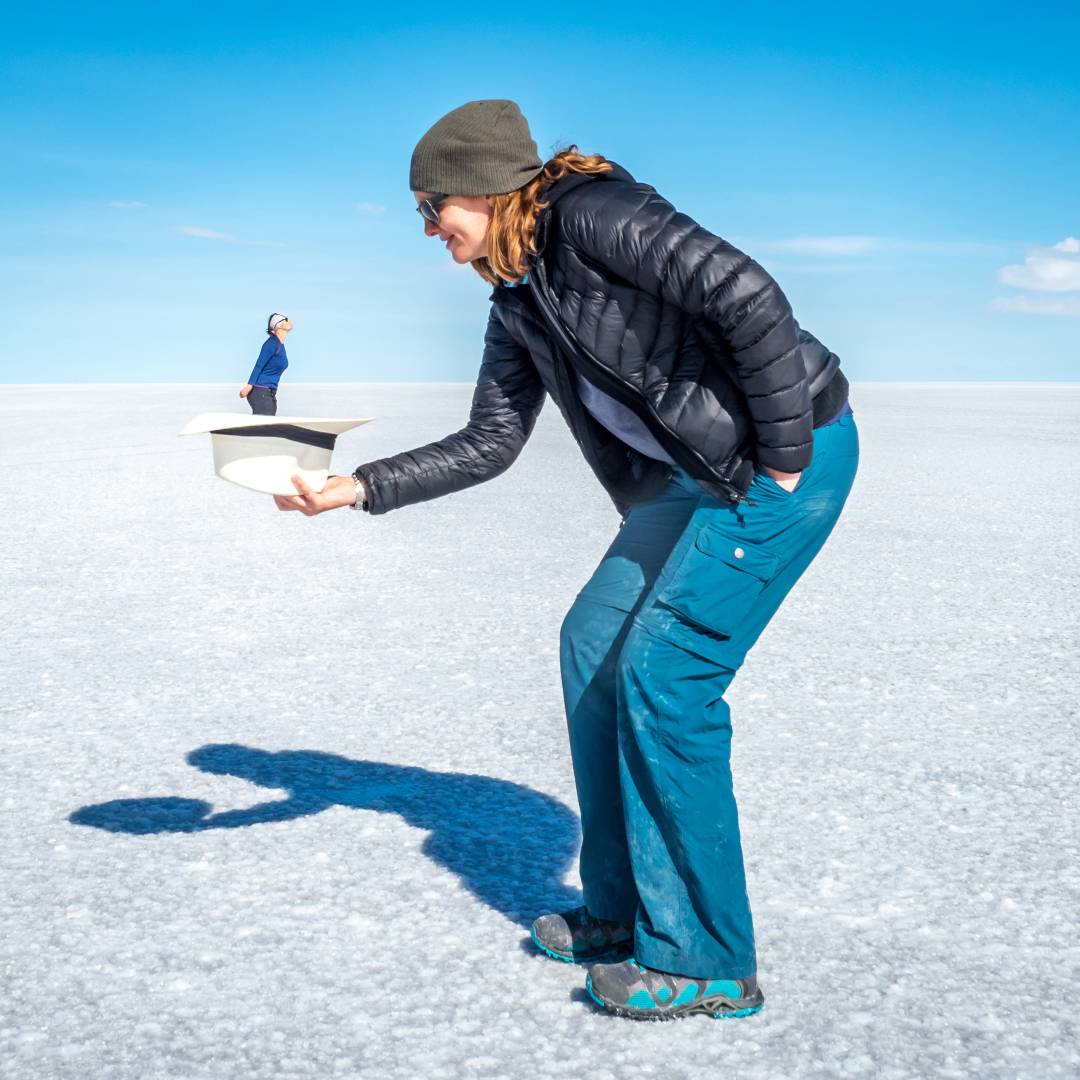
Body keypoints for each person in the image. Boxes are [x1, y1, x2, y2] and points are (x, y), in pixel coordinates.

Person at [273, 100, 858, 1022]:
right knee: (594, 645)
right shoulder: (519, 303)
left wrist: (785, 454)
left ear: (481, 185)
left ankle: (708, 957)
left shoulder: (594, 213)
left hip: (783, 463)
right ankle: (624, 912)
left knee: (666, 675)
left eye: (433, 207)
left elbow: (746, 294)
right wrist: (356, 488)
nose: (430, 229)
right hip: (690, 477)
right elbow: (489, 441)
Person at [240, 313, 292, 415]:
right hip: (261, 392)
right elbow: (258, 366)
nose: (288, 320)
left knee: (266, 427)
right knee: (263, 425)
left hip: (269, 393)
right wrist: (249, 386)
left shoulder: (280, 344)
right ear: (279, 325)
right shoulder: (271, 343)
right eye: (285, 319)